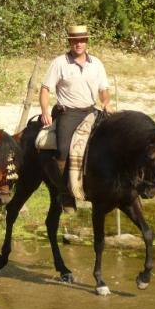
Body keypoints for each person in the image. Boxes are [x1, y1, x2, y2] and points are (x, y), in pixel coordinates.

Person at [39, 25, 111, 210]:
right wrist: (45, 111)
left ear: (86, 42)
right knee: (63, 150)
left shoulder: (96, 64)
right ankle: (65, 192)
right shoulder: (59, 63)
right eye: (75, 40)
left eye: (82, 40)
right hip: (68, 112)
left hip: (90, 111)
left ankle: (105, 185)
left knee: (108, 142)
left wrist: (106, 103)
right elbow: (45, 88)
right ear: (70, 42)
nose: (78, 44)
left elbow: (104, 89)